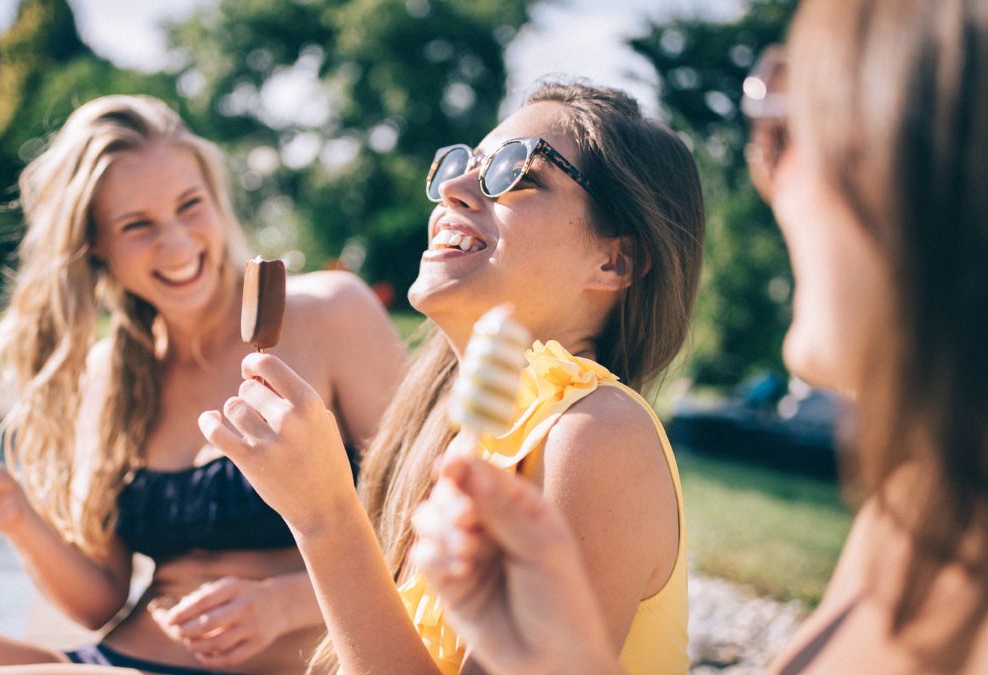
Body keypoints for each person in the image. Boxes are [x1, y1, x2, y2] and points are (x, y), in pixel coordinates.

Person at [409, 0, 988, 673]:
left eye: (790, 131)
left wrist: (326, 522)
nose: (768, 178)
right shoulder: (918, 519)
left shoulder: (596, 428)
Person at [0, 94, 407, 675]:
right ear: (96, 248)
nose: (176, 241)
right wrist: (17, 515)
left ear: (217, 201)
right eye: (137, 224)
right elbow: (101, 601)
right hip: (109, 660)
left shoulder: (330, 316)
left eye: (190, 205)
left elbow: (426, 521)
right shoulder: (110, 375)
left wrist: (282, 605)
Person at [199, 81, 705, 674]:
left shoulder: (596, 434)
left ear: (614, 260)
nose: (456, 190)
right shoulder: (439, 425)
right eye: (465, 164)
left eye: (517, 172)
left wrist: (324, 518)